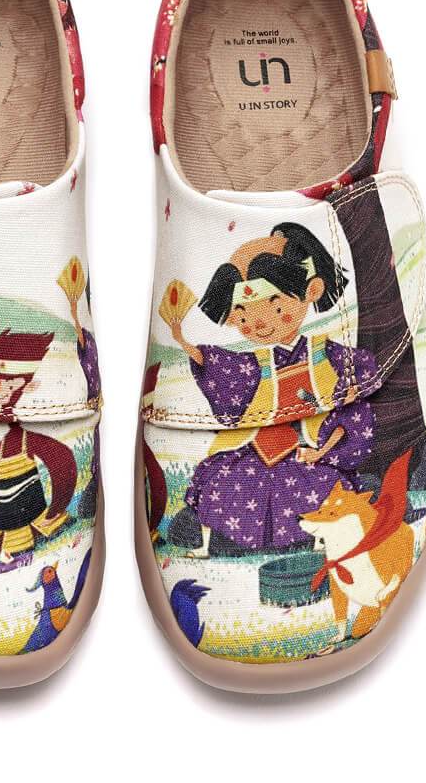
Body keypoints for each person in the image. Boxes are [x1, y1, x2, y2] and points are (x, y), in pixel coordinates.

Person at [160, 223, 379, 556]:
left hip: (308, 443)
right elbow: (226, 368)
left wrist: (339, 412)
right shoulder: (259, 363)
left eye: (276, 308)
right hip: (261, 444)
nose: (259, 325)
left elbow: (356, 376)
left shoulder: (322, 352)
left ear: (313, 290)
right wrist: (183, 341)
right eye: (243, 318)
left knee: (318, 483)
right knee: (228, 480)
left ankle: (312, 537)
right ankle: (221, 539)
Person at [0, 330, 77, 563]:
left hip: (31, 510)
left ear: (27, 387)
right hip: (1, 518)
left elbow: (60, 459)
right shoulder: (3, 444)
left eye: (7, 385)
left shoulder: (23, 439)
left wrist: (57, 506)